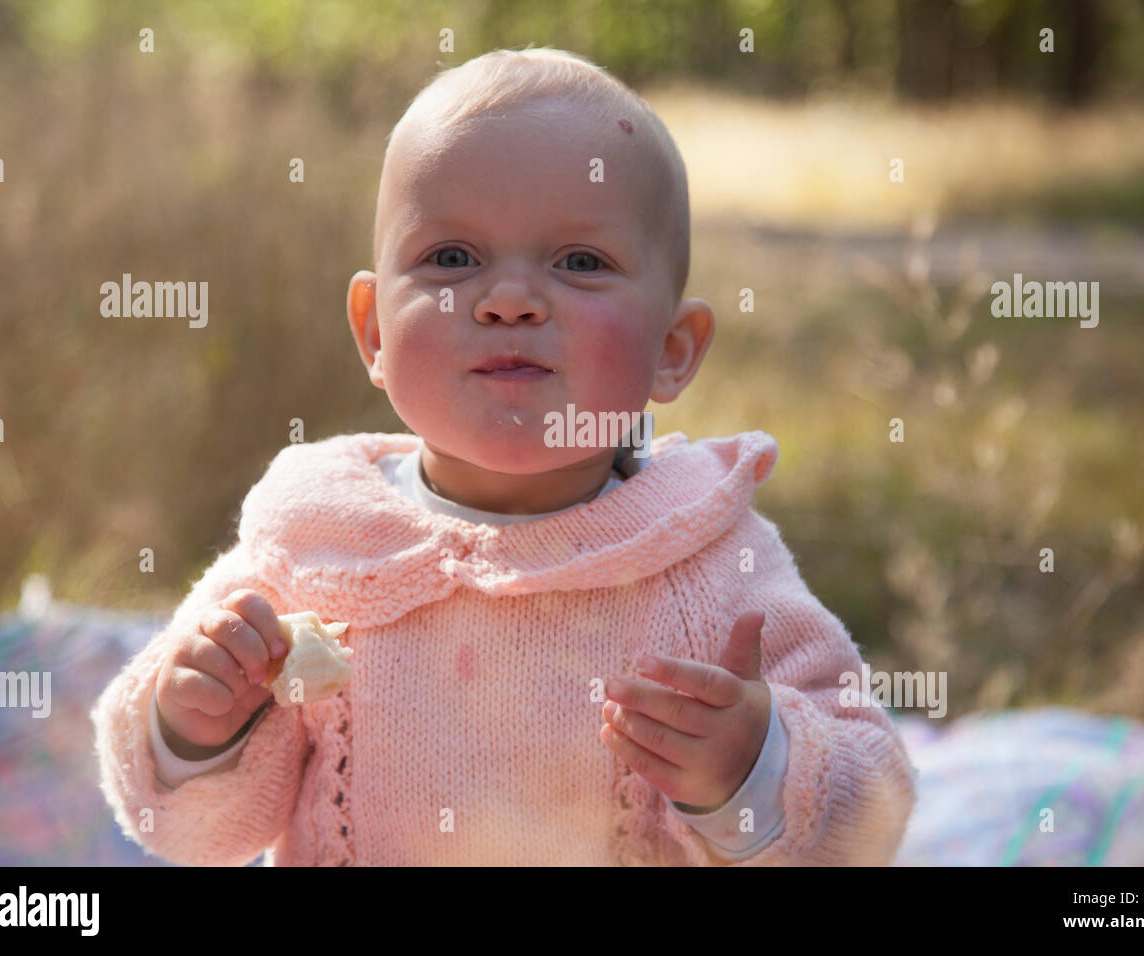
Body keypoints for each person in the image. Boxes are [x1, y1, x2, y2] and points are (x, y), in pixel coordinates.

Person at [91, 45, 918, 865]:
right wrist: (192, 730)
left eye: (580, 263)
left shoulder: (706, 559)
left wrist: (751, 770)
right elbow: (194, 830)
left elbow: (867, 818)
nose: (511, 300)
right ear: (375, 330)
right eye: (452, 258)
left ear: (672, 348)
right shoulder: (316, 543)